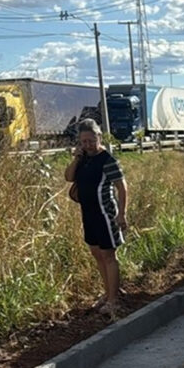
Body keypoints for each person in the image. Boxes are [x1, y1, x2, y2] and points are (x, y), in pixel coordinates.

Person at [64, 118, 128, 313]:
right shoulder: (83, 159)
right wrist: (76, 157)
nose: (88, 145)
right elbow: (68, 177)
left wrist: (122, 214)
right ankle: (107, 293)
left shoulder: (107, 160)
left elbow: (122, 187)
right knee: (97, 253)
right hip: (88, 214)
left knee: (108, 255)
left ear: (99, 137)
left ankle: (113, 301)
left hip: (105, 214)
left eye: (91, 140)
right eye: (83, 141)